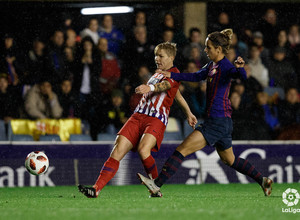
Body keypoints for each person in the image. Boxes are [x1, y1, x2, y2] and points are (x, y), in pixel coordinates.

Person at [137, 29, 273, 197]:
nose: (205, 50)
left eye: (208, 47)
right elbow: (195, 76)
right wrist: (171, 74)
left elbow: (240, 77)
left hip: (217, 121)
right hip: (222, 122)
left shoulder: (226, 66)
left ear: (218, 49)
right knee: (229, 160)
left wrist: (241, 68)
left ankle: (156, 184)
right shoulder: (211, 65)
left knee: (182, 150)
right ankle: (263, 180)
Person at [78, 42, 197, 198]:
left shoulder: (174, 73)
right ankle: (96, 189)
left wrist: (150, 88)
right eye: (156, 55)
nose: (157, 59)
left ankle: (155, 187)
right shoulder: (157, 73)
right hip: (137, 116)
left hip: (156, 118)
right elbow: (176, 94)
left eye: (161, 56)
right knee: (117, 150)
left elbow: (167, 86)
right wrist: (188, 112)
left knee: (143, 150)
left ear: (171, 57)